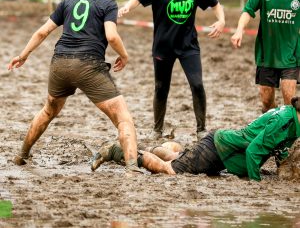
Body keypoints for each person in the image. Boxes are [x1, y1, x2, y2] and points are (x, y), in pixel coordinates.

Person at [8, 0, 140, 172]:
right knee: (123, 118)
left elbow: (43, 31)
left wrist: (23, 55)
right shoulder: (108, 4)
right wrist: (124, 55)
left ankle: (21, 155)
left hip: (59, 63)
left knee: (48, 111)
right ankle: (132, 167)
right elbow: (112, 36)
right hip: (88, 65)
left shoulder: (69, 1)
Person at [118, 0, 225, 141]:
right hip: (163, 46)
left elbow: (216, 5)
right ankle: (157, 130)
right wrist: (125, 8)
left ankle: (201, 129)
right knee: (161, 87)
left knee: (197, 84)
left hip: (188, 46)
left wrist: (221, 20)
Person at [91, 96, 300, 182]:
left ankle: (162, 147)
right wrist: (256, 181)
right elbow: (254, 151)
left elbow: (280, 147)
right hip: (218, 149)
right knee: (169, 169)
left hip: (223, 151)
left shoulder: (290, 118)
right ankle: (116, 151)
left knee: (179, 156)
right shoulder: (285, 121)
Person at [231, 0, 300, 113]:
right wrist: (239, 30)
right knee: (267, 101)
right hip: (266, 54)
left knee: (289, 101)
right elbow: (248, 11)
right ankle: (274, 118)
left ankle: (288, 135)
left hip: (291, 54)